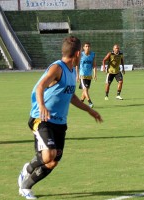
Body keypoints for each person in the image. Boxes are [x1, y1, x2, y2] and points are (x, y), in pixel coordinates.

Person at [18, 36, 103, 199]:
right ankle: (27, 171)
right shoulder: (57, 68)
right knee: (48, 155)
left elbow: (71, 96)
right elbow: (40, 86)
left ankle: (26, 186)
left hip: (59, 122)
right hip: (41, 119)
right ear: (78, 53)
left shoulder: (72, 72)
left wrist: (89, 110)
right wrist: (42, 106)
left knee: (53, 160)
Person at [76, 42, 97, 108]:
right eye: (86, 46)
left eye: (88, 46)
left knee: (86, 90)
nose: (87, 47)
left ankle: (80, 103)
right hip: (82, 75)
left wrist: (95, 74)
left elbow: (94, 65)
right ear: (83, 48)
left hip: (89, 75)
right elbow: (77, 65)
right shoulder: (81, 55)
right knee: (85, 89)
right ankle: (90, 102)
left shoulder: (92, 54)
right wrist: (77, 75)